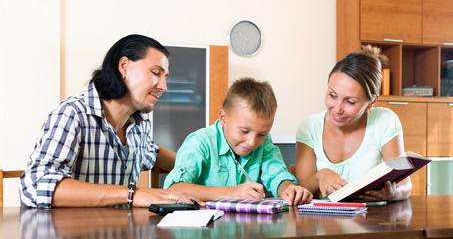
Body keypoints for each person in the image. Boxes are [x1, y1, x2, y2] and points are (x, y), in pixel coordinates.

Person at [20, 34, 197, 208]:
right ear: (124, 66)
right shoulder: (73, 114)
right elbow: (35, 186)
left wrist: (203, 165)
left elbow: (154, 154)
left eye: (165, 77)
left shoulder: (140, 125)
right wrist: (132, 194)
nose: (163, 87)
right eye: (155, 73)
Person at [164, 77, 313, 205]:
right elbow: (174, 189)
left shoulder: (264, 144)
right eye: (244, 131)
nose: (252, 142)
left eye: (261, 134)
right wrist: (231, 192)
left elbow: (277, 176)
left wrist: (289, 189)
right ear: (223, 118)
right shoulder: (200, 142)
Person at [295, 45, 412, 202]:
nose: (337, 109)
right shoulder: (310, 127)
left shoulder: (385, 121)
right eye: (332, 95)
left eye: (350, 101)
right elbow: (301, 189)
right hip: (324, 222)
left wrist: (392, 193)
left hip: (373, 221)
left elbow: (405, 185)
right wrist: (319, 177)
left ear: (371, 102)